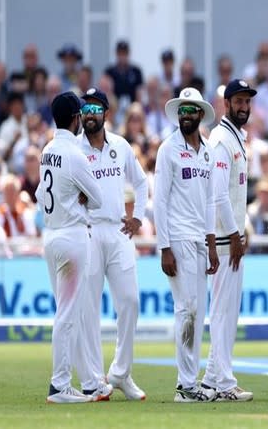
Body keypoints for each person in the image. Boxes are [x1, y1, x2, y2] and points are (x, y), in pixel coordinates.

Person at [77, 87, 148, 401]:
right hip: (88, 231)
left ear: (106, 114)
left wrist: (139, 218)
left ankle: (120, 372)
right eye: (86, 109)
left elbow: (142, 182)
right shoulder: (73, 149)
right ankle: (94, 379)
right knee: (88, 309)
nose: (90, 114)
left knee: (130, 301)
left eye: (96, 109)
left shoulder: (120, 145)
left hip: (119, 231)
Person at [36, 91, 103, 403]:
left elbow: (39, 194)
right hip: (72, 237)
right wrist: (80, 197)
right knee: (67, 315)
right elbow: (98, 197)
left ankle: (79, 380)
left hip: (51, 236)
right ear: (76, 118)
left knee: (67, 313)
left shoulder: (48, 150)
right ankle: (60, 384)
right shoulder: (75, 154)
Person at [154, 87, 219, 403]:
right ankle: (185, 385)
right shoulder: (168, 150)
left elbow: (209, 202)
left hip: (198, 240)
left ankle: (190, 382)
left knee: (198, 312)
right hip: (177, 239)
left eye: (191, 110)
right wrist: (164, 246)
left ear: (201, 115)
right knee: (187, 309)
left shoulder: (206, 151)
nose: (185, 115)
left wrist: (212, 242)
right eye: (181, 111)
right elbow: (160, 201)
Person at [200, 79, 257, 402]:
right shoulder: (222, 139)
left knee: (227, 311)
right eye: (239, 101)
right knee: (223, 312)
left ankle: (212, 378)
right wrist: (235, 234)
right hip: (224, 240)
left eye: (247, 102)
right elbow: (219, 193)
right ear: (226, 104)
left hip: (230, 236)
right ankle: (223, 383)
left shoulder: (235, 138)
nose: (244, 107)